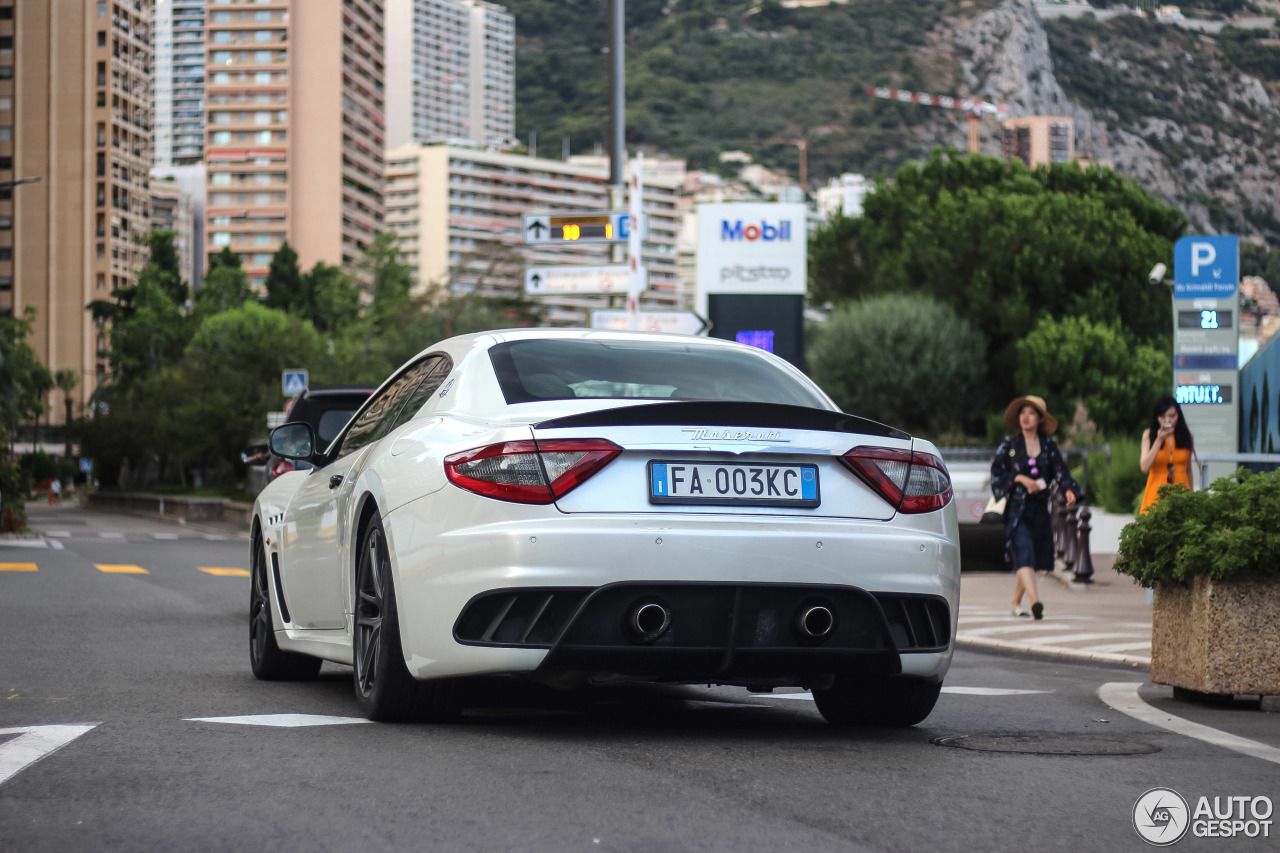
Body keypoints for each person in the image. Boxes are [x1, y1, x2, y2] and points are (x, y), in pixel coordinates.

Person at [990, 395, 1082, 620]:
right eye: (1023, 412)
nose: (1026, 417)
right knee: (1024, 552)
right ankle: (1036, 602)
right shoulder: (1009, 445)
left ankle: (1015, 602)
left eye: (1031, 413)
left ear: (1040, 418)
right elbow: (996, 474)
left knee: (1028, 558)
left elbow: (1061, 472)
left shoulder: (1049, 446)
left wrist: (1069, 490)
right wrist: (1020, 478)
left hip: (1040, 510)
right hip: (1016, 511)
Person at [1139, 395, 1198, 513]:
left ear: (1179, 416)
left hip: (1181, 495)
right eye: (1162, 416)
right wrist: (1159, 440)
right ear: (1157, 417)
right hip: (1156, 496)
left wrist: (1192, 498)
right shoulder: (1149, 435)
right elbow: (1145, 467)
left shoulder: (1187, 435)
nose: (1167, 421)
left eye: (1172, 416)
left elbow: (1188, 470)